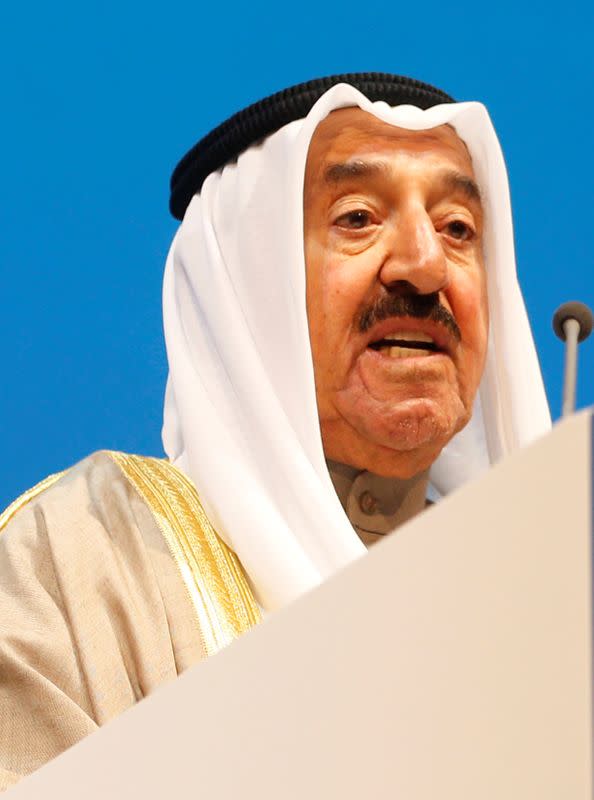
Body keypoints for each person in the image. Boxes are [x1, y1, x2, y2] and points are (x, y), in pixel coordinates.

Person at [0, 73, 550, 790]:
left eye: (458, 229)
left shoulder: (536, 632)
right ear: (249, 287)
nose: (424, 264)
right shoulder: (81, 561)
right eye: (357, 218)